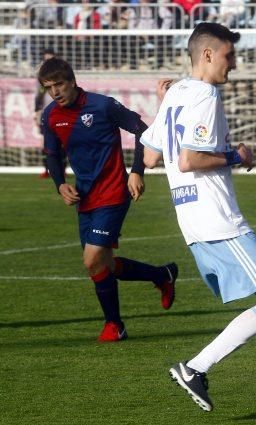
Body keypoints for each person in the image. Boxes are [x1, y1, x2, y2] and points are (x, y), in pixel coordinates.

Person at [141, 22, 256, 413]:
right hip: (219, 218)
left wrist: (163, 105)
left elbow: (150, 156)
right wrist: (238, 156)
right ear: (207, 54)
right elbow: (190, 159)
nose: (233, 65)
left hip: (192, 219)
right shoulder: (203, 94)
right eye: (229, 56)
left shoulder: (177, 92)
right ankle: (196, 368)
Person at [39, 57, 178, 342]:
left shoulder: (102, 106)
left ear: (72, 81)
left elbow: (143, 131)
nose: (54, 92)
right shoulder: (50, 115)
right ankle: (162, 275)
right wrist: (60, 185)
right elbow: (52, 154)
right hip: (84, 197)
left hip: (114, 191)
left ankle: (114, 325)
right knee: (104, 265)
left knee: (92, 260)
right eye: (48, 87)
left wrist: (137, 172)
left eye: (59, 84)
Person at [34, 48, 57, 179]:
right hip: (45, 114)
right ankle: (46, 169)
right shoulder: (41, 79)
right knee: (46, 143)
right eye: (46, 59)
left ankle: (62, 169)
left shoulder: (61, 76)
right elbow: (39, 96)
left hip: (59, 112)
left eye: (50, 59)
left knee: (62, 143)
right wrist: (36, 111)